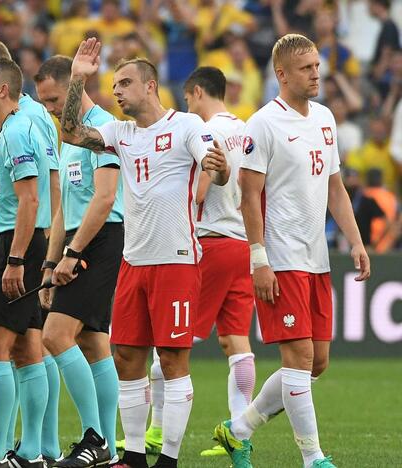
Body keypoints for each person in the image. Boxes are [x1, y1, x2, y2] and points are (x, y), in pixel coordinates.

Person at [58, 38, 229, 468]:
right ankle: (133, 457)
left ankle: (169, 459)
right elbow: (71, 132)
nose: (116, 91)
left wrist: (219, 167)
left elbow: (213, 163)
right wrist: (78, 77)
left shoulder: (186, 126)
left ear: (150, 86)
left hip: (175, 259)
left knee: (172, 359)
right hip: (134, 261)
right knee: (126, 356)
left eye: (125, 83)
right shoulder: (121, 133)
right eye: (113, 84)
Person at [212, 34, 370, 468]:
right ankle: (313, 458)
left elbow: (335, 188)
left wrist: (355, 240)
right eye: (306, 68)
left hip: (316, 256)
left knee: (317, 363)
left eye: (317, 66)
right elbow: (249, 195)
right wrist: (258, 258)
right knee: (298, 359)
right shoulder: (262, 124)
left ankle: (238, 429)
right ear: (281, 74)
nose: (316, 74)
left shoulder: (324, 118)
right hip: (280, 259)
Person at [0, 38, 62, 465]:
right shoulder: (17, 126)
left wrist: (19, 258)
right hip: (24, 238)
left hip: (16, 243)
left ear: (0, 85)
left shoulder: (21, 127)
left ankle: (2, 449)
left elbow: (34, 197)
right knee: (26, 348)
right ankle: (37, 449)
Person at [33, 54, 121, 467]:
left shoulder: (102, 129)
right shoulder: (66, 139)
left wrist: (73, 253)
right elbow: (62, 211)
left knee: (54, 336)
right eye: (46, 103)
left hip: (100, 240)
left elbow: (104, 199)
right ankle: (110, 447)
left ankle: (95, 438)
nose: (51, 110)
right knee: (91, 341)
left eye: (54, 100)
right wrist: (50, 268)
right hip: (77, 240)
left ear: (73, 88)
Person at [176, 66, 257, 458]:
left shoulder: (209, 133)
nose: (186, 106)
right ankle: (240, 436)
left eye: (187, 99)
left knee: (177, 339)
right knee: (235, 341)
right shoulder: (245, 129)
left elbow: (201, 186)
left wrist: (182, 209)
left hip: (211, 240)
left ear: (196, 92)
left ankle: (155, 432)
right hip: (242, 242)